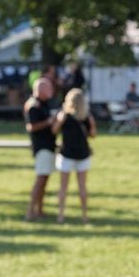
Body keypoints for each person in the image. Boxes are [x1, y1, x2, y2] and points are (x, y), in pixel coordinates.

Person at [51, 88, 96, 223]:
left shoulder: (64, 116)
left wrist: (58, 120)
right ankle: (84, 215)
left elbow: (54, 131)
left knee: (63, 187)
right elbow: (93, 134)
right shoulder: (87, 117)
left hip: (67, 154)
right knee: (82, 186)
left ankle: (61, 215)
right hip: (83, 154)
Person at [23, 78, 57, 220]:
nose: (51, 90)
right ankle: (30, 211)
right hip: (41, 146)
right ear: (40, 89)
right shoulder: (34, 105)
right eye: (48, 88)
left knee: (45, 179)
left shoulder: (44, 104)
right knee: (40, 179)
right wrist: (49, 121)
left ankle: (40, 210)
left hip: (48, 145)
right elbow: (31, 126)